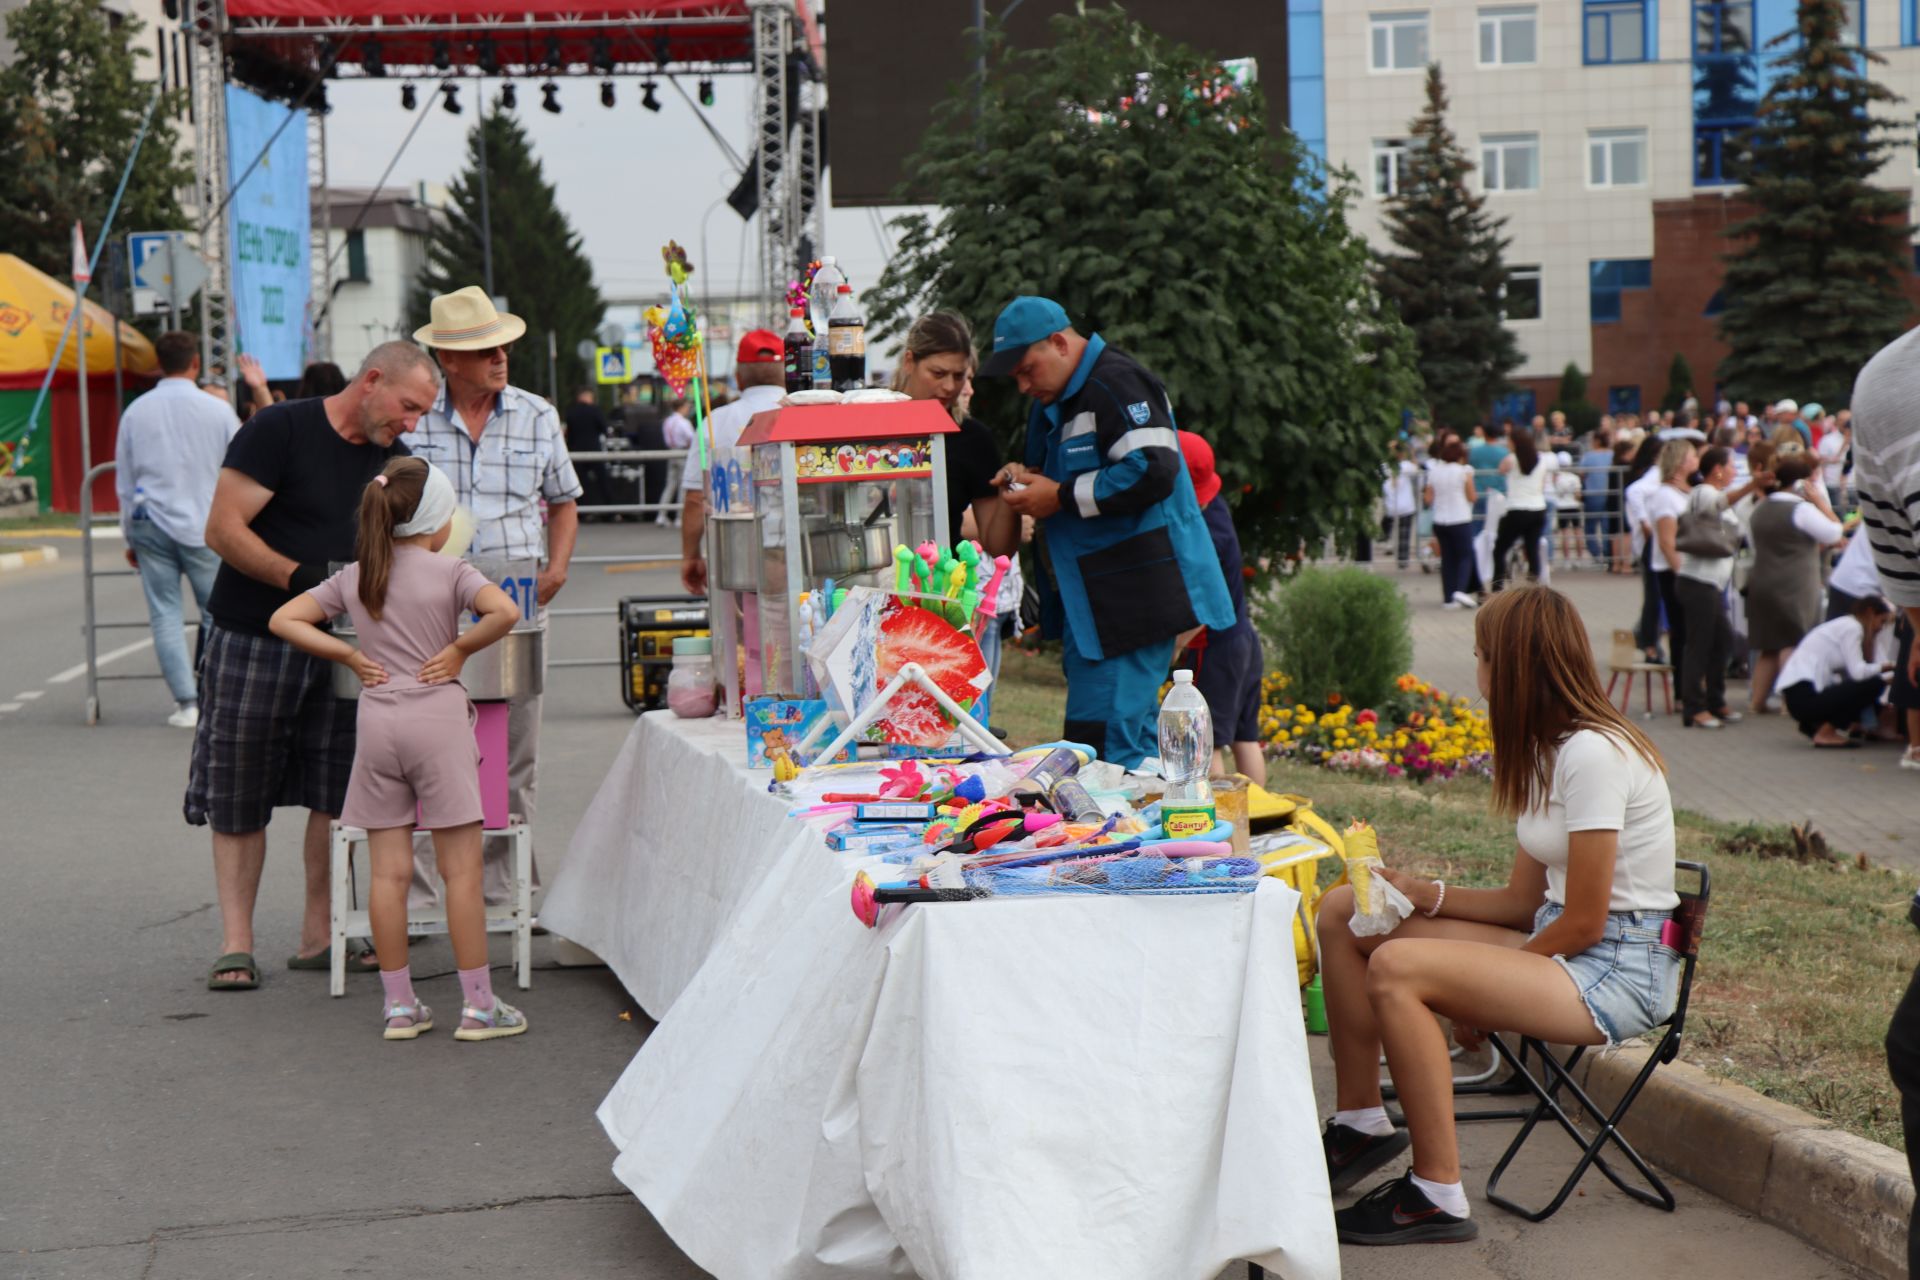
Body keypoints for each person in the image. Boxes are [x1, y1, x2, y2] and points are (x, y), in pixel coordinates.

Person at [1317, 585, 1679, 1245]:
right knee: (1349, 912)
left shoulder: (1593, 754)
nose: (1476, 676)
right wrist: (1421, 892)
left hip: (1617, 969)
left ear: (1510, 669)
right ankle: (1361, 1124)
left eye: (1482, 657)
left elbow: (1586, 923)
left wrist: (1475, 998)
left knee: (1397, 967)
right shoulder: (1549, 748)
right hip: (1561, 938)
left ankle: (1435, 1195)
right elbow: (1521, 903)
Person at [189, 341, 438, 989]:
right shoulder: (279, 428)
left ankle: (318, 934)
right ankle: (236, 944)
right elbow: (223, 529)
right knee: (240, 790)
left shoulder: (397, 459)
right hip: (253, 636)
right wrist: (303, 582)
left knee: (338, 793)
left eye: (421, 414)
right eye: (408, 407)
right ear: (372, 381)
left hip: (347, 649)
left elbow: (422, 543)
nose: (411, 423)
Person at [270, 457, 528, 1040]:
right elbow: (505, 612)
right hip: (436, 719)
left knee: (387, 876)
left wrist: (350, 655)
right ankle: (480, 1006)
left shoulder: (358, 576)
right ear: (437, 521)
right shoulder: (451, 570)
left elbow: (285, 618)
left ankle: (400, 1006)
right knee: (461, 870)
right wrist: (460, 650)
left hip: (378, 721)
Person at [981, 296, 1233, 768]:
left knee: (1100, 757)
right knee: (1117, 751)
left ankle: (1129, 841)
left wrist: (1057, 496)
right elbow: (1050, 479)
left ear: (1059, 343)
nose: (1021, 384)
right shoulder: (1052, 401)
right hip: (1094, 608)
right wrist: (1024, 478)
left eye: (1026, 368)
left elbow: (1155, 468)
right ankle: (1161, 833)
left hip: (1131, 603)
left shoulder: (1116, 381)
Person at [406, 286, 582, 911]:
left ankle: (510, 892)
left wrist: (556, 567)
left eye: (502, 345)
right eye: (485, 350)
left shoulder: (536, 413)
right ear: (449, 360)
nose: (500, 357)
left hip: (516, 600)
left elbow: (564, 501)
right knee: (428, 745)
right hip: (428, 603)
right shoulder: (415, 418)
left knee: (515, 751)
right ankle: (426, 900)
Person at [115, 331, 237, 728]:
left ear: (158, 363)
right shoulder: (218, 410)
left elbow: (124, 479)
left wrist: (127, 534)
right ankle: (216, 695)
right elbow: (240, 468)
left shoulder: (136, 412)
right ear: (196, 363)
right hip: (206, 525)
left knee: (164, 615)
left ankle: (186, 703)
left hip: (150, 522)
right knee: (217, 614)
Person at [1176, 431, 1267, 786]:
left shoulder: (1206, 537)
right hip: (1244, 639)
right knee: (1245, 737)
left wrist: (1176, 646)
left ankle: (1221, 820)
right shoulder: (1215, 505)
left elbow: (1202, 606)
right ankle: (1259, 817)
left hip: (1212, 646)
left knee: (1206, 741)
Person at [892, 311, 1017, 559]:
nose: (950, 387)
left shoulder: (973, 439)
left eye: (959, 376)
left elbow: (998, 547)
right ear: (909, 361)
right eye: (938, 374)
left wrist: (1009, 495)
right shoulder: (868, 421)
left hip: (943, 586)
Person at [680, 329, 786, 595]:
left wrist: (690, 556)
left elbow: (695, 498)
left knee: (743, 634)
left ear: (738, 378)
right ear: (786, 373)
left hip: (736, 553)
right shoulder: (804, 413)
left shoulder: (715, 422)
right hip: (797, 547)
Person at [1747, 454, 1845, 714]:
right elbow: (1835, 532)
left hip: (1761, 580)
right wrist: (1822, 503)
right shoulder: (1800, 509)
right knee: (1792, 641)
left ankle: (1757, 701)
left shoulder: (1762, 506)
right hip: (1794, 583)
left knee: (1769, 644)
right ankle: (1789, 704)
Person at [1674, 446, 1742, 729]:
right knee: (1699, 645)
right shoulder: (1704, 492)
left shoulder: (1712, 495)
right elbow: (1719, 504)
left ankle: (1715, 701)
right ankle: (1694, 707)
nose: (1734, 472)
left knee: (1723, 640)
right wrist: (1753, 485)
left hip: (1710, 583)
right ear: (1717, 469)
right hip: (1698, 580)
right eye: (1731, 466)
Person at [1775, 597, 1894, 747]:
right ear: (1870, 612)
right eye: (1882, 621)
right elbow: (1859, 673)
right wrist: (1889, 668)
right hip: (1805, 699)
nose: (1881, 628)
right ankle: (1826, 732)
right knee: (1874, 684)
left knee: (1870, 684)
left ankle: (1824, 726)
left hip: (1799, 697)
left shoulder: (1844, 625)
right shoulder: (1852, 627)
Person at [1645, 440, 1698, 699]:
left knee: (1689, 631)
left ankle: (1690, 687)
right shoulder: (1665, 495)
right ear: (1680, 463)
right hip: (1675, 571)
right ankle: (1683, 691)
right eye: (1692, 456)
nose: (1696, 459)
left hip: (1688, 568)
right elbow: (1667, 542)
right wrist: (1682, 573)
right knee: (1682, 632)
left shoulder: (1683, 491)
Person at [1622, 435, 1669, 661]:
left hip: (1655, 540)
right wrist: (1645, 522)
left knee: (1655, 593)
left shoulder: (1653, 474)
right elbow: (1634, 492)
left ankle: (1646, 635)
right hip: (1654, 541)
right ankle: (1648, 640)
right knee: (1655, 593)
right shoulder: (1655, 475)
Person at [1491, 428, 1550, 591]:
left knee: (1500, 550)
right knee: (1532, 550)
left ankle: (1497, 587)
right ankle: (1535, 588)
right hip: (1538, 508)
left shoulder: (1511, 459)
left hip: (1517, 508)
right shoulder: (1541, 459)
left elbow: (1501, 469)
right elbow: (1542, 484)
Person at [1425, 438, 1477, 609]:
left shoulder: (1434, 472)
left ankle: (1448, 598)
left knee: (1447, 559)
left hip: (1440, 520)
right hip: (1460, 518)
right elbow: (1471, 496)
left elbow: (1428, 498)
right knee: (1465, 555)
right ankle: (1460, 590)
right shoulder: (1463, 472)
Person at [564, 385, 612, 517]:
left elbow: (569, 434)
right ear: (588, 397)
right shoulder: (595, 410)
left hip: (576, 452)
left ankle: (581, 513)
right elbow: (604, 428)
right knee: (603, 481)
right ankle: (611, 511)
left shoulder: (571, 412)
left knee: (579, 483)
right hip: (594, 450)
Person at [1380, 441, 1420, 571]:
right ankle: (1403, 560)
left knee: (1388, 526)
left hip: (1390, 505)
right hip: (1406, 506)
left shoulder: (1384, 466)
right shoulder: (1406, 465)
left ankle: (1388, 543)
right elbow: (1417, 469)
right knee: (1404, 534)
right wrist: (1412, 454)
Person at [1580, 425, 1616, 566]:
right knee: (1607, 526)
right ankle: (1608, 553)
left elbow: (1582, 474)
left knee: (1590, 527)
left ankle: (1596, 552)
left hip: (1593, 494)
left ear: (1596, 441)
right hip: (1608, 494)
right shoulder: (1612, 454)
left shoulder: (1589, 456)